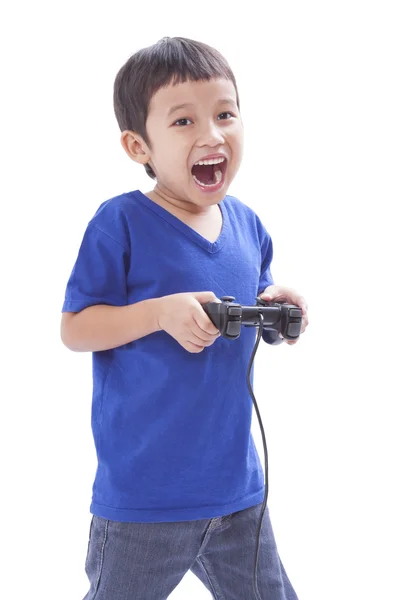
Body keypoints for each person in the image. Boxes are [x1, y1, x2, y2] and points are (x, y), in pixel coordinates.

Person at [61, 36, 309, 600]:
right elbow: (75, 327)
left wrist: (273, 304)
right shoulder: (120, 223)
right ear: (136, 145)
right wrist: (157, 315)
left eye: (225, 113)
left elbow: (253, 294)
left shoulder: (247, 225)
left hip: (237, 493)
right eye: (183, 122)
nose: (212, 134)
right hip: (144, 500)